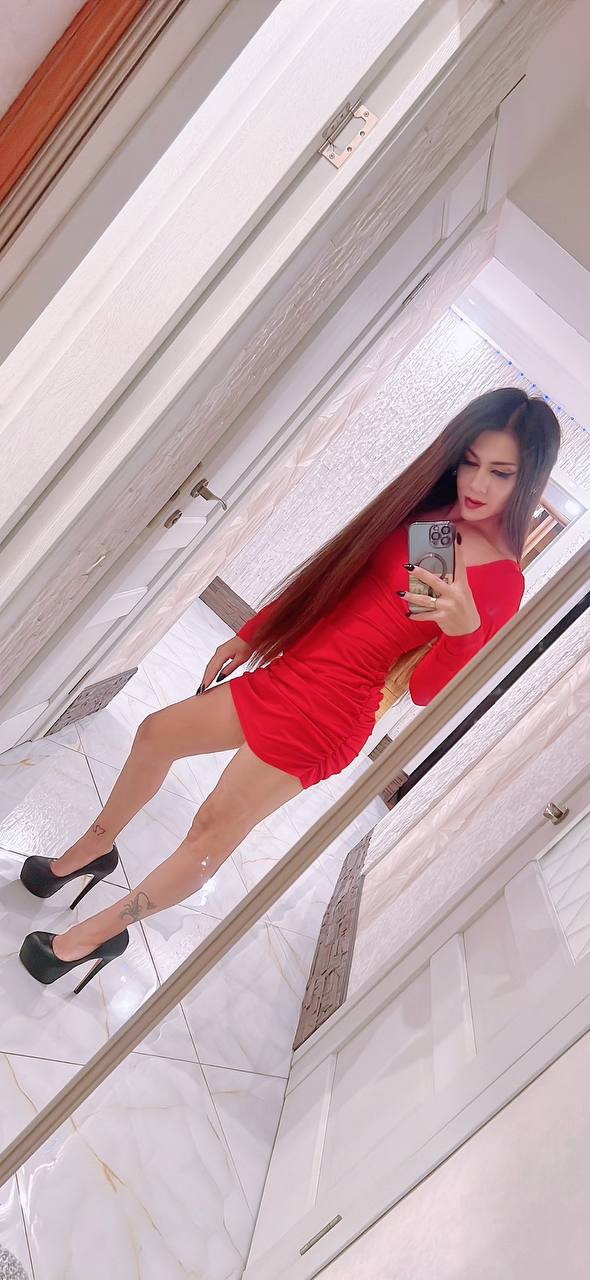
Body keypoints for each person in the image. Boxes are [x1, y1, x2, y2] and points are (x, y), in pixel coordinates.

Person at [18, 388, 560, 990]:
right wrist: (251, 633)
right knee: (156, 734)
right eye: (471, 461)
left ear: (528, 480)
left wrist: (462, 634)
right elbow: (335, 584)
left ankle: (97, 935)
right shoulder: (430, 521)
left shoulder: (502, 579)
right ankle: (93, 850)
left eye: (501, 472)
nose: (477, 483)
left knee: (211, 829)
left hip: (329, 715)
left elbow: (427, 691)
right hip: (290, 674)